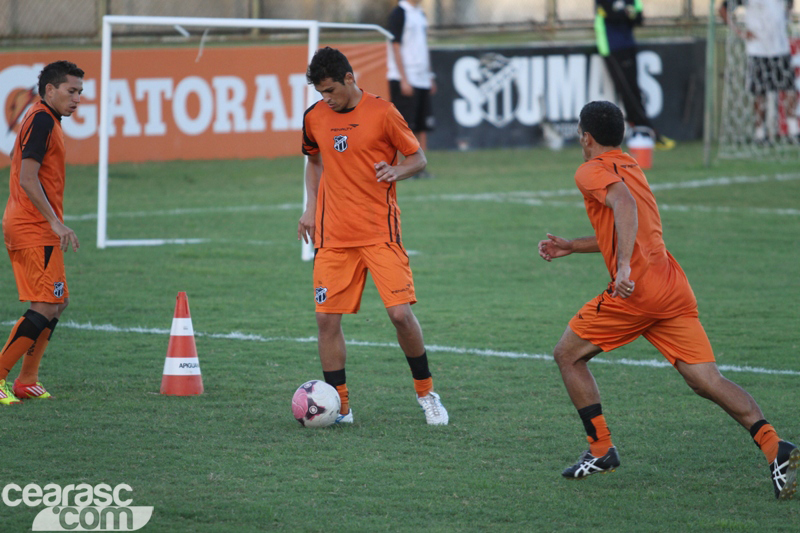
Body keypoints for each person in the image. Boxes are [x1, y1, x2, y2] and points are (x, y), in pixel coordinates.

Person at [537, 100, 797, 499]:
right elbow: (628, 223)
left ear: (585, 137)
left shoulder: (589, 170)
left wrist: (622, 268)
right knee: (706, 380)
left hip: (637, 291)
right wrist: (574, 245)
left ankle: (601, 449)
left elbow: (622, 205)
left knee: (567, 355)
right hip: (671, 284)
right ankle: (775, 448)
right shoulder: (629, 164)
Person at [297, 47, 448, 426]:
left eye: (330, 90)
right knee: (326, 321)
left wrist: (398, 172)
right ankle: (341, 407)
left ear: (350, 78)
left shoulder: (383, 113)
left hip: (380, 232)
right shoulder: (314, 117)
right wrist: (310, 208)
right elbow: (313, 161)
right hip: (333, 236)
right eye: (320, 93)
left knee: (400, 314)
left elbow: (418, 158)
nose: (325, 98)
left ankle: (427, 394)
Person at [0, 60, 83, 405]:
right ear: (50, 90)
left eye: (80, 92)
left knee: (58, 302)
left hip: (36, 226)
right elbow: (27, 178)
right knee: (46, 304)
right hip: (32, 227)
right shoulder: (41, 120)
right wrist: (54, 222)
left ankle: (27, 380)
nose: (77, 98)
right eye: (71, 91)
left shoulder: (46, 118)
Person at [594, 0, 675, 150]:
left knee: (633, 90)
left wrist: (625, 13)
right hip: (611, 46)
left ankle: (641, 132)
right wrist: (626, 13)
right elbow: (612, 15)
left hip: (629, 44)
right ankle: (649, 132)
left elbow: (638, 19)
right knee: (628, 91)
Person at [718, 0, 799, 142]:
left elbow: (790, 5)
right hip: (758, 49)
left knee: (789, 88)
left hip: (780, 47)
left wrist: (786, 13)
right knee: (759, 92)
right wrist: (740, 32)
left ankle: (793, 131)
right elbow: (723, 10)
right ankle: (760, 133)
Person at [387, 0, 436, 178]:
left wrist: (429, 75)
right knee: (405, 125)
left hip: (422, 78)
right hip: (405, 77)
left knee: (422, 125)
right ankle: (406, 168)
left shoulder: (420, 13)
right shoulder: (399, 13)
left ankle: (420, 167)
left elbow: (423, 46)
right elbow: (395, 45)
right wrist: (404, 79)